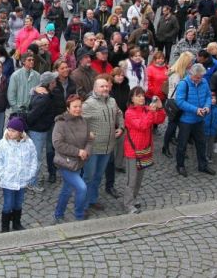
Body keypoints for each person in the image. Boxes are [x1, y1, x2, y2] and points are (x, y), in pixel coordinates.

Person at [82, 78, 124, 212]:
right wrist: (86, 134)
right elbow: (78, 122)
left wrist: (121, 127)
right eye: (102, 87)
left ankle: (92, 200)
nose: (105, 89)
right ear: (95, 89)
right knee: (89, 177)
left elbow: (119, 113)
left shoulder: (112, 101)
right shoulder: (88, 104)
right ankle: (83, 204)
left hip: (108, 147)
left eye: (106, 86)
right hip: (93, 148)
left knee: (98, 176)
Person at [123, 87, 165, 214]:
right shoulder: (129, 113)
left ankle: (133, 198)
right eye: (138, 96)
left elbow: (160, 120)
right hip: (133, 151)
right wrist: (152, 113)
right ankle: (128, 204)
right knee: (132, 179)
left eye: (142, 96)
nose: (141, 98)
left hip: (145, 149)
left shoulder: (147, 109)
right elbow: (142, 125)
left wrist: (160, 108)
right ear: (132, 98)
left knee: (139, 178)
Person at [52, 95, 94, 223]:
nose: (78, 109)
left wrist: (86, 151)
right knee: (82, 188)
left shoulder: (83, 121)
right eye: (75, 106)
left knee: (67, 189)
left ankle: (58, 214)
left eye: (80, 106)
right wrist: (78, 152)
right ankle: (79, 215)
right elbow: (57, 144)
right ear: (68, 108)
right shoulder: (61, 123)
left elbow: (89, 140)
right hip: (66, 163)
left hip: (79, 163)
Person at [0, 117, 38, 232]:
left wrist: (30, 174)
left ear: (20, 132)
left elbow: (33, 158)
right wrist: (1, 174)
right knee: (8, 204)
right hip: (8, 181)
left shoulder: (29, 143)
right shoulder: (3, 143)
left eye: (13, 131)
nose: (10, 133)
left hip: (22, 180)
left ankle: (17, 223)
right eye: (9, 130)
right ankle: (5, 227)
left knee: (18, 203)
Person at [174, 64, 216, 177]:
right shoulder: (183, 83)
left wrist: (207, 106)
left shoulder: (204, 82)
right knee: (182, 144)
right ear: (191, 74)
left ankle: (203, 165)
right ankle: (180, 165)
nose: (199, 79)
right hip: (186, 120)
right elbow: (180, 102)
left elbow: (208, 96)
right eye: (197, 77)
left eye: (201, 77)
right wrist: (195, 110)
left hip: (199, 119)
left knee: (201, 143)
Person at [25, 71, 58, 192]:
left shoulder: (44, 94)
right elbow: (32, 115)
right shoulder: (44, 98)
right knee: (36, 158)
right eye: (53, 81)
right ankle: (31, 183)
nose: (55, 83)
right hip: (38, 131)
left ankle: (31, 179)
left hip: (39, 130)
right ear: (49, 83)